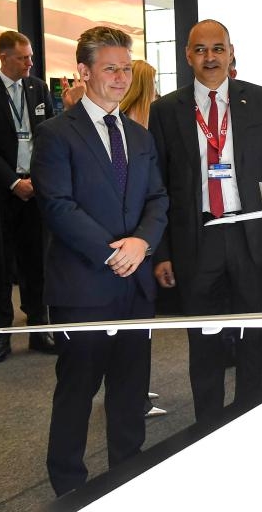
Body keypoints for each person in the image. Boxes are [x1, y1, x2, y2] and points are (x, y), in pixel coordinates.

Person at [31, 26, 168, 497]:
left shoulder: (139, 136)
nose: (120, 77)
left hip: (135, 287)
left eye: (126, 69)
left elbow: (158, 198)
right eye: (110, 68)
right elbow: (57, 206)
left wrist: (142, 243)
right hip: (83, 287)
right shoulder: (55, 134)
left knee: (130, 393)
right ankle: (70, 490)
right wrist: (115, 253)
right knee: (77, 391)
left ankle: (127, 480)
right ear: (84, 71)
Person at [149, 18, 262, 424]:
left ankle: (250, 419)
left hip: (251, 235)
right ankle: (208, 426)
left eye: (218, 48)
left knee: (254, 338)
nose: (210, 57)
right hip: (197, 239)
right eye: (201, 49)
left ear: (231, 53)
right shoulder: (166, 110)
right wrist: (161, 252)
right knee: (204, 341)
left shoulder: (260, 100)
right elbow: (158, 186)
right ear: (188, 56)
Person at [0, 30, 55, 362]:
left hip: (36, 190)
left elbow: (49, 135)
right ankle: (3, 334)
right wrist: (12, 182)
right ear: (4, 57)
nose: (29, 63)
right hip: (3, 192)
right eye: (23, 58)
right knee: (3, 266)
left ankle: (39, 329)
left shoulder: (38, 88)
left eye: (30, 57)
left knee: (37, 262)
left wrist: (36, 178)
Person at [117, 58, 167, 418]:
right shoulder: (144, 125)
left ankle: (131, 393)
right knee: (136, 328)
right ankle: (134, 397)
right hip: (142, 239)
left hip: (135, 237)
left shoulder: (125, 121)